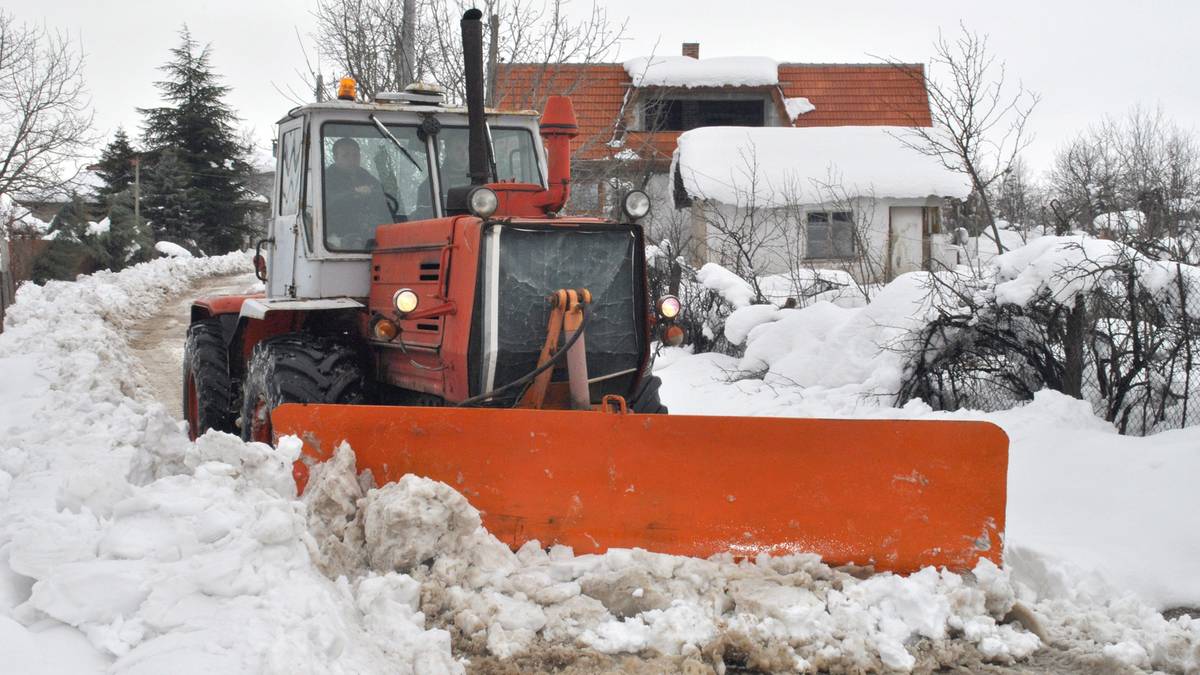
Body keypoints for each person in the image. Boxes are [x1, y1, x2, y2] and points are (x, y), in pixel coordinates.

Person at [324, 137, 392, 249]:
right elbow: (329, 202)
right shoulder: (326, 178)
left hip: (369, 232)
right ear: (335, 158)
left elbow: (384, 199)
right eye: (346, 155)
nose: (352, 159)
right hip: (338, 234)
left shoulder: (367, 177)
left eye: (355, 155)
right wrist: (354, 194)